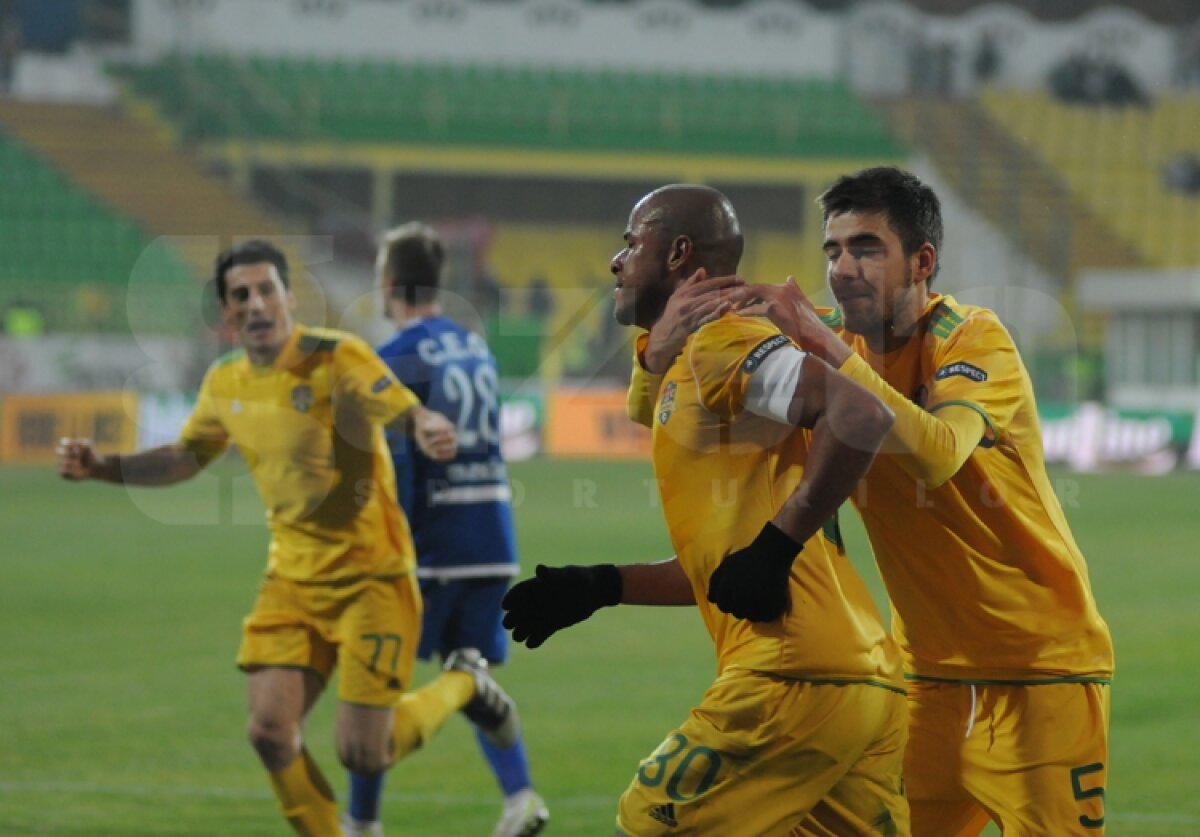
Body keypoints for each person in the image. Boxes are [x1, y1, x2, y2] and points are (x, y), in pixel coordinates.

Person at [640, 167, 1115, 835]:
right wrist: (655, 354)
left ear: (923, 261)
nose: (841, 269)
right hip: (923, 678)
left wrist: (822, 340)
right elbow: (686, 406)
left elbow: (941, 450)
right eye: (832, 250)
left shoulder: (974, 339)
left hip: (1043, 674)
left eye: (864, 248)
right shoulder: (827, 343)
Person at [56, 239, 521, 837]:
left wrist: (426, 423)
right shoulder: (225, 382)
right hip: (292, 581)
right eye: (240, 295)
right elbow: (184, 457)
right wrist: (103, 466)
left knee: (364, 753)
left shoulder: (338, 357)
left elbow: (397, 404)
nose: (255, 304)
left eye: (265, 289)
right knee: (269, 733)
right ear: (227, 313)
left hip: (372, 578)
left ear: (289, 297)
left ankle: (465, 682)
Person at [502, 185, 910, 835]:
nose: (615, 260)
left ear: (677, 253)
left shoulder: (721, 340)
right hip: (864, 681)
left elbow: (859, 413)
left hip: (793, 676)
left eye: (632, 243)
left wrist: (777, 546)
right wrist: (605, 584)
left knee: (651, 819)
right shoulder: (691, 368)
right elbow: (733, 567)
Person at [345, 222, 548, 837]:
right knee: (470, 669)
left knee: (374, 683)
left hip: (433, 545)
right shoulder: (474, 346)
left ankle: (360, 823)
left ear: (388, 282)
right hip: (492, 534)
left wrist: (388, 543)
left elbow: (401, 461)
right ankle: (521, 798)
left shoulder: (394, 357)